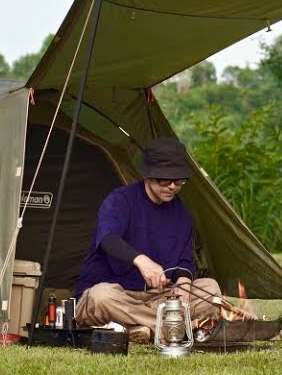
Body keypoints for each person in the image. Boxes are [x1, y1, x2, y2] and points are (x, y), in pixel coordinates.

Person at [74, 137, 222, 339]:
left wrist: (184, 285)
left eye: (178, 180)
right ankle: (170, 328)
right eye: (165, 179)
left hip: (157, 299)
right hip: (118, 296)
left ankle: (139, 329)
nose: (172, 186)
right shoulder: (120, 200)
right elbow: (108, 239)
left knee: (210, 290)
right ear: (147, 175)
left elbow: (185, 262)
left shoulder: (182, 215)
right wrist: (142, 261)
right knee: (101, 296)